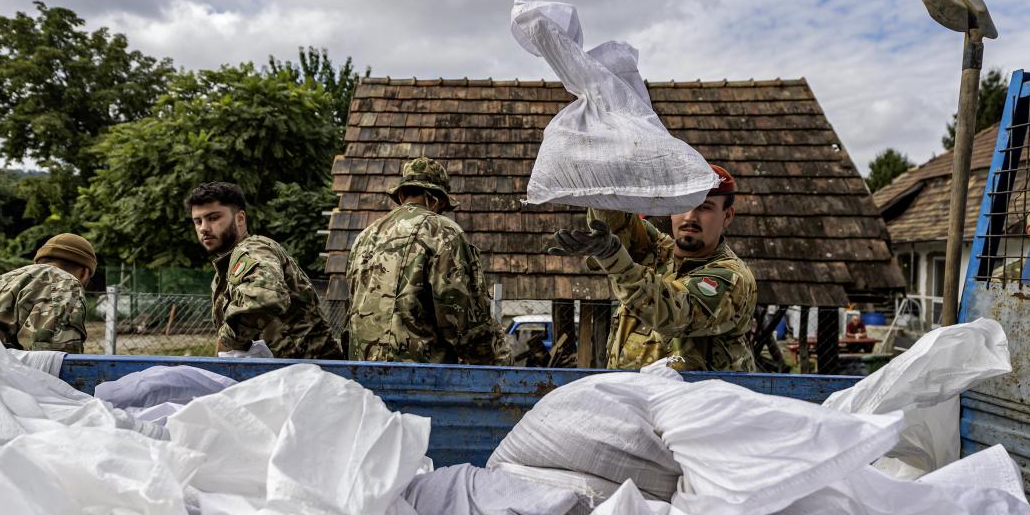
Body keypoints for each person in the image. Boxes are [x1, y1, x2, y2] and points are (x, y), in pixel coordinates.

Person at [549, 164, 758, 371]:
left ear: (727, 216)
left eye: (705, 207)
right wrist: (605, 171)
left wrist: (613, 257)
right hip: (634, 396)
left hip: (697, 402)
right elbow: (620, 226)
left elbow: (672, 312)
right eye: (683, 204)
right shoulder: (660, 253)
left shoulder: (732, 277)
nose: (690, 217)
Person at [346, 158, 510, 364]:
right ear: (437, 199)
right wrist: (496, 363)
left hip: (361, 372)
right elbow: (462, 321)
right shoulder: (442, 231)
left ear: (402, 194)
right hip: (420, 378)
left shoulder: (364, 237)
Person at [186, 181, 343, 360]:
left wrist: (227, 342)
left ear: (240, 219)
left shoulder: (253, 249)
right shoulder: (226, 268)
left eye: (213, 218)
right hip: (287, 374)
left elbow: (265, 299)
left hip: (311, 373)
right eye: (198, 221)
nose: (204, 228)